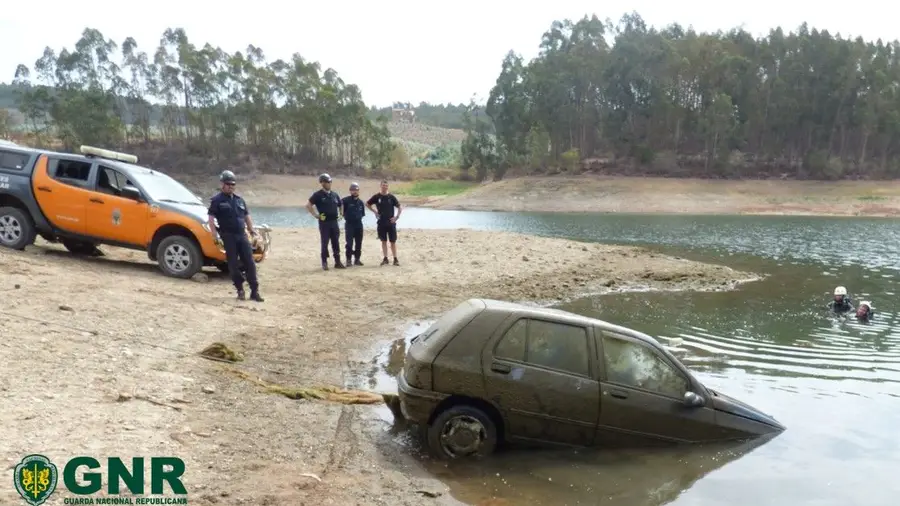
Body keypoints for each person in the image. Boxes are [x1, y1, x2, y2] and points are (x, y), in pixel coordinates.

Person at [207, 170, 264, 302]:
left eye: (232, 184)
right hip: (228, 236)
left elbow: (246, 216)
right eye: (228, 184)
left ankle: (254, 291)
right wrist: (215, 235)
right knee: (233, 264)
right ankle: (240, 289)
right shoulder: (217, 200)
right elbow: (211, 218)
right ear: (222, 184)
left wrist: (251, 229)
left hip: (241, 235)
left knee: (250, 263)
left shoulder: (239, 200)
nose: (230, 186)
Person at [306, 173, 345, 270]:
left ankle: (337, 262)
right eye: (327, 182)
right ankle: (324, 262)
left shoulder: (334, 195)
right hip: (324, 223)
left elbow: (341, 204)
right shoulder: (318, 195)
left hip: (334, 222)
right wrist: (316, 215)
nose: (329, 183)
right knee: (325, 242)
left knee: (336, 242)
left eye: (330, 182)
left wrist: (341, 214)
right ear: (322, 183)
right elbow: (308, 205)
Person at [366, 180, 402, 266]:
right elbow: (367, 204)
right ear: (380, 186)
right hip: (381, 222)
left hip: (391, 222)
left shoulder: (391, 197)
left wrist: (396, 217)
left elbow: (400, 207)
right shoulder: (377, 196)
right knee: (383, 241)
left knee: (393, 241)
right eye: (383, 185)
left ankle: (395, 259)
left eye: (386, 186)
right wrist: (375, 212)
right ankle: (385, 258)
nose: (384, 187)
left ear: (388, 187)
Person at [341, 182, 366, 266]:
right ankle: (348, 260)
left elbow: (362, 214)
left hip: (359, 224)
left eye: (356, 190)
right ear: (350, 191)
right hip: (349, 224)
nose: (355, 191)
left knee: (359, 242)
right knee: (349, 243)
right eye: (353, 190)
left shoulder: (361, 202)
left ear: (358, 191)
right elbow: (340, 209)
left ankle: (357, 259)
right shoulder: (345, 201)